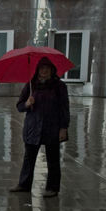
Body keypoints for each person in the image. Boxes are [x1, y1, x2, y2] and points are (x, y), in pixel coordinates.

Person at [10, 57, 70, 197]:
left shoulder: (59, 86)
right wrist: (27, 104)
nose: (44, 71)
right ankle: (24, 184)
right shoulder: (31, 85)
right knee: (29, 158)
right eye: (42, 68)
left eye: (47, 68)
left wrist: (63, 128)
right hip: (33, 128)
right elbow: (19, 106)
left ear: (52, 70)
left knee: (53, 159)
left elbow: (64, 108)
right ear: (37, 70)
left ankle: (52, 188)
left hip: (52, 127)